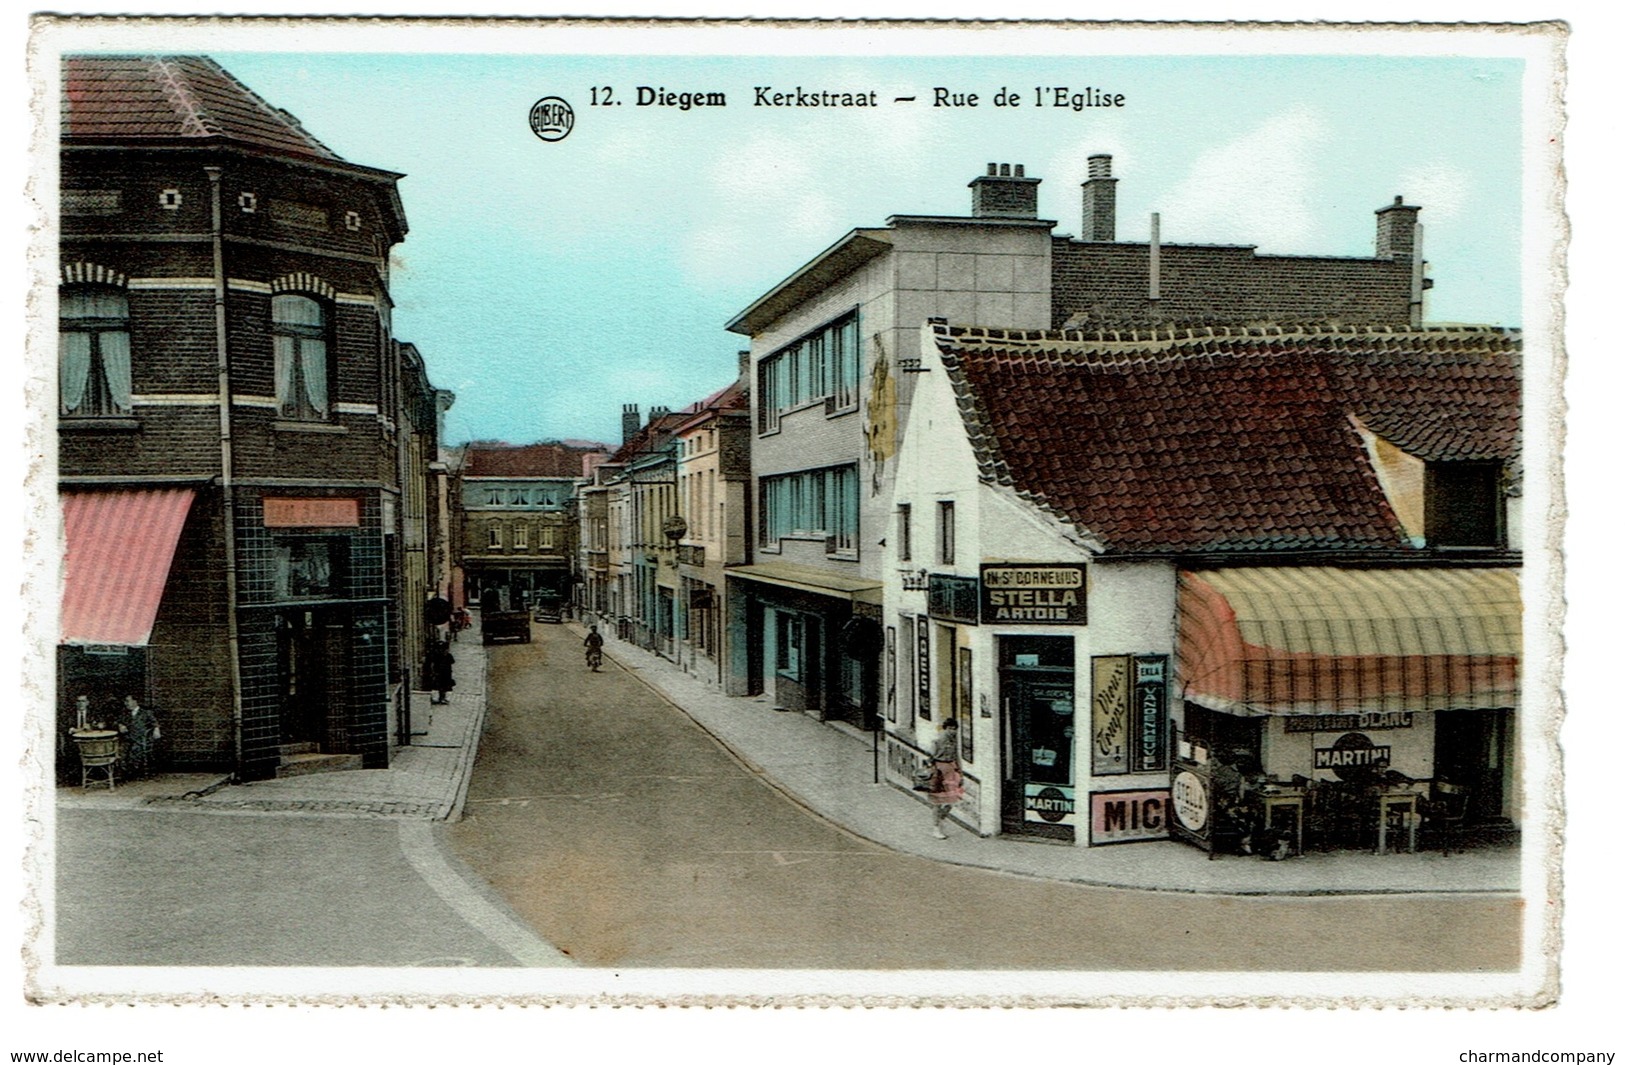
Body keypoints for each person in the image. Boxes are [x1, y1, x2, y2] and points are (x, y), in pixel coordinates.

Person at [926, 718, 965, 839]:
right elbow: (930, 758)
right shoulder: (938, 740)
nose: (953, 731)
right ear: (945, 728)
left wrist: (960, 773)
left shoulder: (954, 741)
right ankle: (936, 827)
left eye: (954, 729)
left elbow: (957, 757)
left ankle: (941, 819)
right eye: (950, 729)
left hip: (951, 770)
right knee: (938, 801)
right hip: (939, 770)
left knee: (952, 799)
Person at [116, 695, 160, 780]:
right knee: (120, 752)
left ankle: (134, 772)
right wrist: (120, 725)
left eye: (128, 701)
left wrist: (156, 730)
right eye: (125, 702)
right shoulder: (125, 713)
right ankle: (124, 773)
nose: (126, 704)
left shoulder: (145, 713)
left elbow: (154, 723)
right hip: (128, 738)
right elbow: (119, 721)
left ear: (135, 701)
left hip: (141, 739)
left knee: (134, 752)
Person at [424, 638, 456, 704]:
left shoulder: (438, 655)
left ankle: (441, 698)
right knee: (441, 685)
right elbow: (452, 661)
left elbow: (452, 661)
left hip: (443, 672)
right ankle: (442, 698)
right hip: (442, 672)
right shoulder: (446, 655)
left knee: (442, 685)